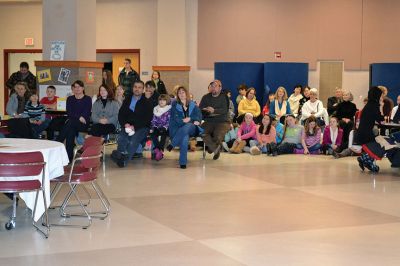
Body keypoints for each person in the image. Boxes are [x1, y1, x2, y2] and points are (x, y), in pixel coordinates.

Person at [111, 80, 154, 167]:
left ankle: (122, 160)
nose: (137, 89)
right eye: (135, 87)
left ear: (143, 90)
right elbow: (121, 114)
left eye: (139, 87)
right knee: (122, 138)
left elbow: (148, 119)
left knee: (132, 141)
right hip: (127, 125)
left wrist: (135, 126)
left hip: (142, 127)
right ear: (132, 88)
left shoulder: (147, 102)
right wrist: (125, 124)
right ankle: (120, 155)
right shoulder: (127, 100)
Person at [167, 86, 202, 169]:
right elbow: (176, 120)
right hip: (179, 129)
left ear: (186, 93)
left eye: (183, 92)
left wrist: (191, 119)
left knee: (189, 125)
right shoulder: (174, 106)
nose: (181, 94)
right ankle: (183, 163)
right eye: (179, 93)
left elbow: (199, 116)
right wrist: (186, 121)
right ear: (177, 95)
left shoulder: (193, 104)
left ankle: (172, 144)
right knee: (185, 137)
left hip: (192, 129)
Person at [57, 80, 92, 161]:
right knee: (70, 130)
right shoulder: (70, 99)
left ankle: (58, 141)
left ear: (83, 88)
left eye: (79, 87)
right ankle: (69, 158)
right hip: (74, 122)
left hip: (83, 124)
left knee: (70, 123)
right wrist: (79, 117)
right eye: (75, 87)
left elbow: (86, 112)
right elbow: (69, 112)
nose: (77, 88)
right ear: (73, 89)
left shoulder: (87, 99)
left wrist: (77, 117)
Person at [199, 79, 231, 160]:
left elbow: (224, 110)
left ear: (220, 88)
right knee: (201, 131)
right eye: (212, 86)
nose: (213, 88)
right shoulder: (205, 97)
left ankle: (211, 147)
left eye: (215, 86)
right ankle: (215, 149)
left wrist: (213, 111)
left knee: (218, 135)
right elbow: (200, 109)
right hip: (209, 121)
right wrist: (206, 110)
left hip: (222, 121)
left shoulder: (224, 97)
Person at [356, 86, 385, 172]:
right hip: (366, 134)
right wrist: (381, 106)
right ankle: (364, 159)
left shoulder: (369, 104)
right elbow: (381, 121)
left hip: (362, 132)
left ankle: (366, 161)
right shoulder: (374, 105)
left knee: (377, 145)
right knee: (380, 146)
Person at [150, 94, 171, 161]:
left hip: (165, 127)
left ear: (167, 101)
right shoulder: (156, 109)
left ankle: (160, 148)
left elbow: (169, 120)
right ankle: (158, 148)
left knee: (163, 134)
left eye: (164, 100)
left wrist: (165, 127)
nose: (162, 101)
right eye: (160, 100)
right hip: (157, 126)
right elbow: (153, 120)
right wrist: (152, 127)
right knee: (153, 134)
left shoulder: (168, 109)